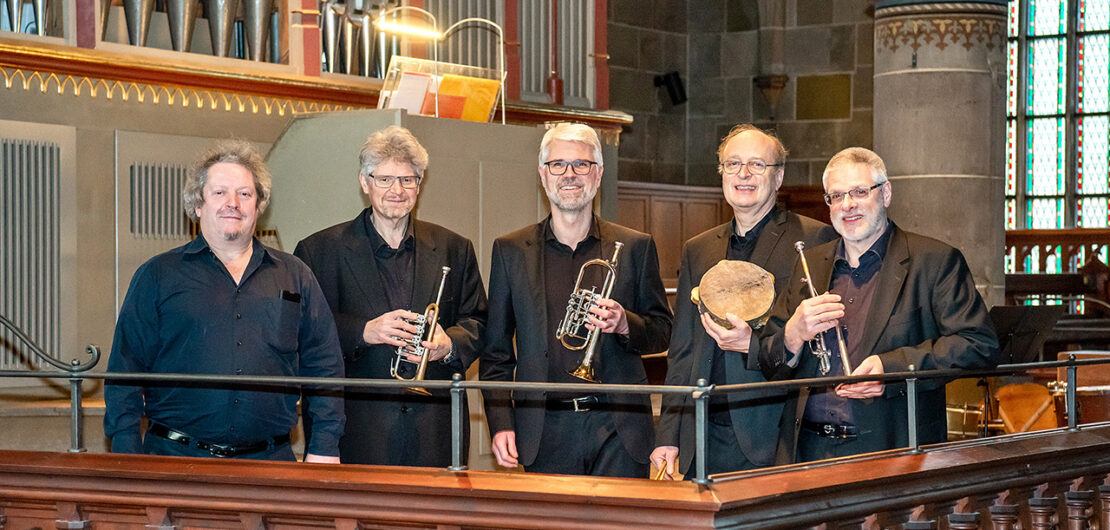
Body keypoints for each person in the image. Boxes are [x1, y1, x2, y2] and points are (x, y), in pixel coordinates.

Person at [104, 139, 345, 462]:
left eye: (245, 194)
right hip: (174, 463)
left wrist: (324, 448)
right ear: (198, 205)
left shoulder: (295, 275)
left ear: (259, 206)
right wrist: (126, 453)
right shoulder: (157, 276)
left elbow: (324, 365)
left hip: (271, 466)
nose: (233, 203)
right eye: (220, 193)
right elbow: (125, 371)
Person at [756, 147, 999, 462]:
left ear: (885, 193)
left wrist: (891, 369)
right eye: (836, 196)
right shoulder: (810, 264)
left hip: (892, 451)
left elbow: (978, 344)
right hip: (806, 451)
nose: (848, 205)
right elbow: (767, 359)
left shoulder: (935, 262)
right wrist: (792, 334)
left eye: (859, 192)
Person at [480, 123, 673, 478]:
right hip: (543, 428)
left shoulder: (635, 247)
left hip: (619, 429)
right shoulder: (510, 251)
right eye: (558, 165)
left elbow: (664, 332)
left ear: (598, 175)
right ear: (543, 175)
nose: (570, 174)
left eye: (582, 165)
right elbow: (496, 354)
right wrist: (501, 422)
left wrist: (625, 323)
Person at [294, 126, 487, 467]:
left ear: (420, 184)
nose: (396, 190)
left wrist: (451, 344)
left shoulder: (455, 248)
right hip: (356, 431)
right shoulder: (318, 251)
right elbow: (302, 333)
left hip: (435, 432)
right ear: (364, 182)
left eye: (408, 179)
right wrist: (363, 331)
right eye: (384, 179)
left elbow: (479, 322)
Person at [651, 124, 837, 479]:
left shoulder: (814, 239)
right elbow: (683, 351)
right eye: (733, 164)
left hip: (769, 433)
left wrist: (754, 344)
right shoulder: (698, 248)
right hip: (700, 431)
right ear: (722, 174)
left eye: (757, 165)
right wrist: (669, 434)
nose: (744, 174)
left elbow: (817, 345)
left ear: (778, 177)